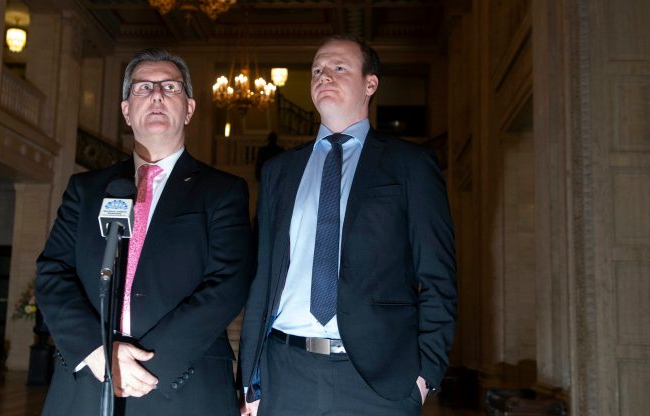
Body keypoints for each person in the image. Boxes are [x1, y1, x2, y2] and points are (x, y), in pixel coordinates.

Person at [239, 35, 457, 416]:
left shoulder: (410, 165)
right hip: (285, 373)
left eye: (339, 68)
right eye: (317, 70)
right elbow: (262, 281)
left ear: (370, 84)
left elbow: (439, 278)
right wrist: (250, 379)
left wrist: (424, 377)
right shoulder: (279, 172)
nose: (325, 75)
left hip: (378, 380)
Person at [36, 48, 252, 416]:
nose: (156, 95)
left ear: (189, 108)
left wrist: (147, 366)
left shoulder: (223, 191)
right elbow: (52, 272)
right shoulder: (86, 189)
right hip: (88, 382)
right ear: (125, 110)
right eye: (143, 88)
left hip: (182, 385)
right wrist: (97, 351)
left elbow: (228, 284)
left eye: (170, 87)